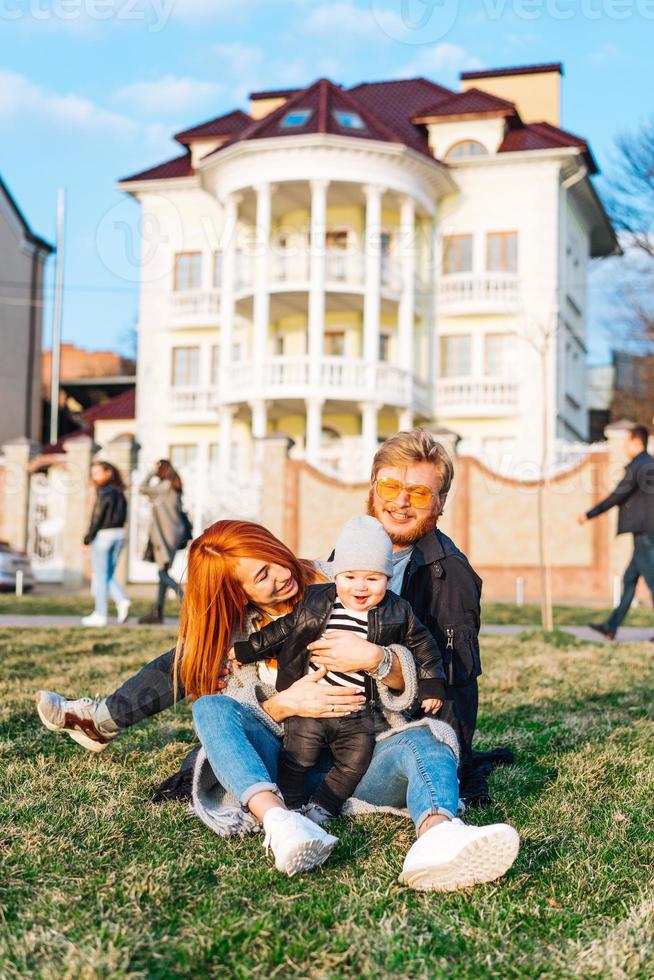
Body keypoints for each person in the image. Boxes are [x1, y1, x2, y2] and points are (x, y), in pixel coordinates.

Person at [36, 515, 520, 889]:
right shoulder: (241, 640)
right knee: (208, 701)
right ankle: (282, 825)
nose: (278, 579)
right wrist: (286, 704)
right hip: (289, 765)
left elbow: (408, 657)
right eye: (259, 578)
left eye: (273, 561)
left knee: (429, 739)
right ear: (237, 593)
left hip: (365, 755)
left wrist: (376, 659)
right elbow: (239, 717)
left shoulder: (337, 581)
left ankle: (438, 836)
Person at [233, 515, 446, 824]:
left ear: (387, 578)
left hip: (358, 711)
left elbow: (424, 646)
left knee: (355, 760)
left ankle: (324, 805)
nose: (360, 587)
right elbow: (281, 630)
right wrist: (247, 649)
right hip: (313, 707)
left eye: (372, 579)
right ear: (337, 576)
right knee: (298, 755)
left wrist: (432, 684)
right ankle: (290, 806)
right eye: (350, 577)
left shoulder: (398, 611)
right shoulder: (317, 601)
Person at [578, 425, 654, 640]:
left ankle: (611, 626)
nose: (623, 445)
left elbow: (617, 496)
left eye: (626, 441)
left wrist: (589, 514)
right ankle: (611, 626)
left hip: (643, 533)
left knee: (652, 581)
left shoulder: (638, 466)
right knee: (630, 579)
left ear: (636, 442)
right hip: (648, 532)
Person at [138, 460, 191, 624]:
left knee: (162, 573)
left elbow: (142, 488)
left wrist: (151, 473)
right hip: (172, 534)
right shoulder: (172, 486)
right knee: (163, 571)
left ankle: (186, 598)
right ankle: (158, 613)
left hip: (165, 535)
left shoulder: (165, 486)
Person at [81, 461, 129, 628]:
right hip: (120, 534)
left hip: (104, 535)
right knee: (107, 574)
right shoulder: (120, 491)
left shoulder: (104, 491)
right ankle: (121, 600)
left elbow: (98, 516)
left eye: (98, 473)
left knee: (101, 576)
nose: (95, 477)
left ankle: (101, 613)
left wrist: (88, 538)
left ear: (109, 472)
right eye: (93, 473)